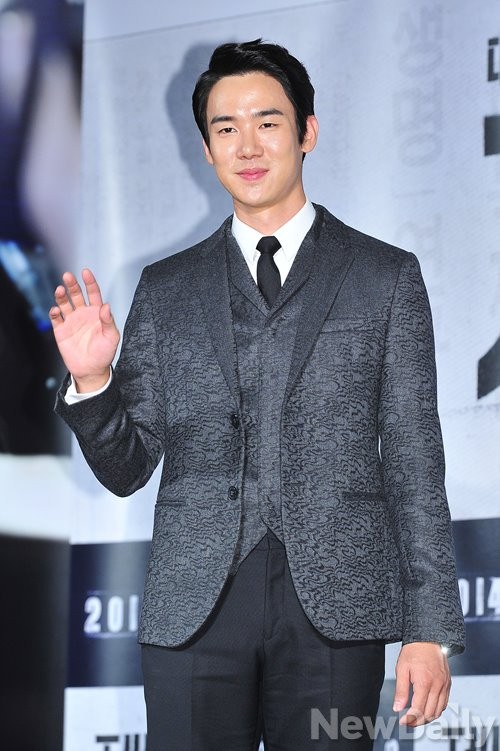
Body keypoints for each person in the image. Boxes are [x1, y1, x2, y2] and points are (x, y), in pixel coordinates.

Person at [50, 39, 465, 750]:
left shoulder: (384, 276)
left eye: (268, 122)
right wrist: (93, 381)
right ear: (206, 149)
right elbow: (126, 469)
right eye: (226, 128)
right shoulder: (166, 289)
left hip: (338, 607)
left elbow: (414, 460)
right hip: (195, 606)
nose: (247, 145)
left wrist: (429, 628)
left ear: (308, 132)